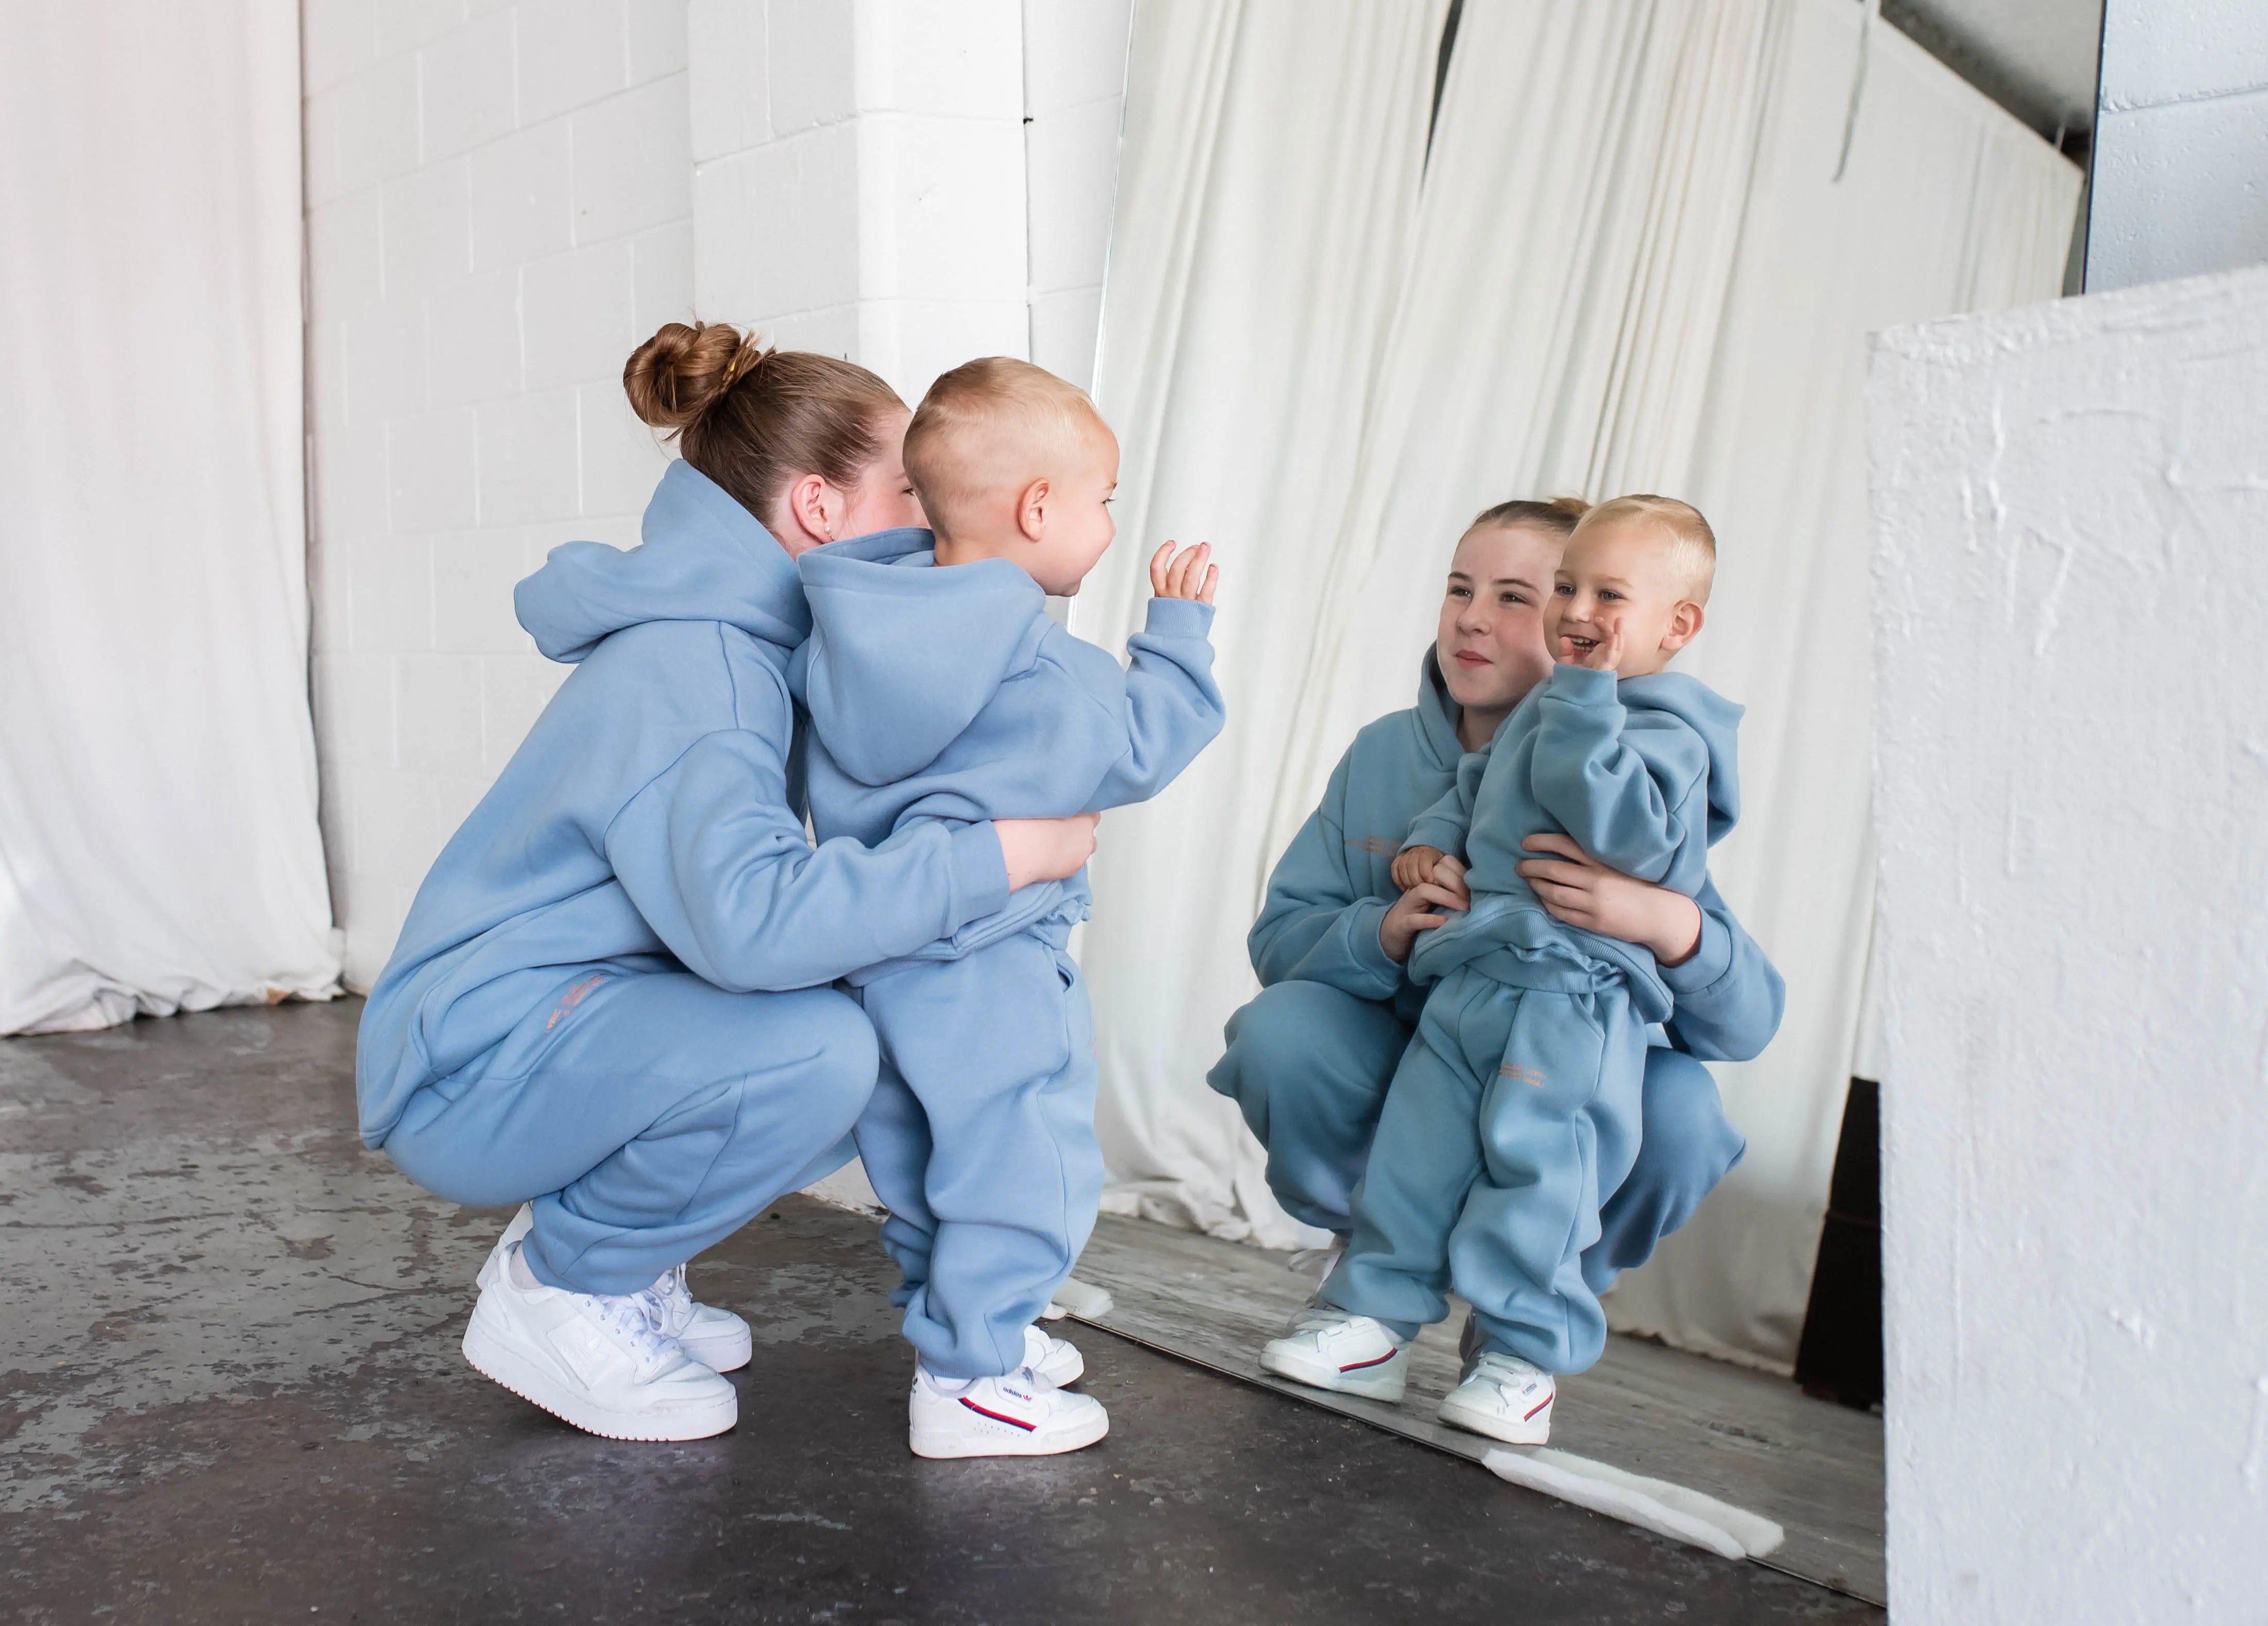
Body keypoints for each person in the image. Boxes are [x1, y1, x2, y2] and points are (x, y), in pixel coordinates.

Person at [354, 323, 1100, 1444]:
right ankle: (567, 1288)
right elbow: (752, 926)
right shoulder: (701, 669)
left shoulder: (747, 642)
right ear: (815, 509)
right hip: (473, 1066)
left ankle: (611, 1247)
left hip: (541, 1030)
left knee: (882, 1022)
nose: (939, 518)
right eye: (913, 491)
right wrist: (998, 856)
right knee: (823, 1047)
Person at [793, 357, 1226, 1458]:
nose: (1109, 524)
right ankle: (971, 1375)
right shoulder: (1037, 660)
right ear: (1040, 508)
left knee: (925, 1156)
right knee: (1023, 1153)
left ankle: (965, 1329)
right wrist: (1176, 634)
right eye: (1104, 500)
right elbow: (1140, 745)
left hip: (883, 950)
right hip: (992, 956)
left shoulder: (851, 631)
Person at [1264, 494, 1749, 1447]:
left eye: (1541, 594)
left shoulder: (1660, 732)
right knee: (1415, 1157)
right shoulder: (1447, 740)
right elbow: (1473, 794)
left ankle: (1521, 1344)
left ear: (1675, 626)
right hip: (1469, 986)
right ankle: (1373, 1315)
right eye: (1565, 589)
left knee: (1545, 1165)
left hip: (1566, 1001)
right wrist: (1418, 864)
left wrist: (1668, 922)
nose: (1480, 616)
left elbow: (1634, 834)